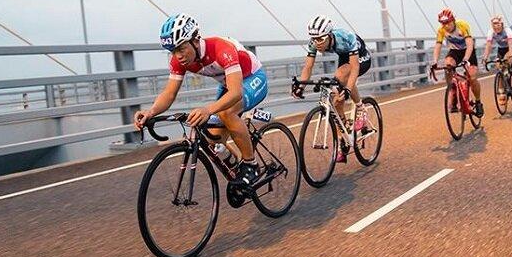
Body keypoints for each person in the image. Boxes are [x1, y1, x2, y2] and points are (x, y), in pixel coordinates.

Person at [133, 13, 268, 186]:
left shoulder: (221, 48)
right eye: (173, 51)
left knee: (227, 113)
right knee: (209, 138)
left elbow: (235, 93)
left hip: (252, 78)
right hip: (228, 82)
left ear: (195, 41)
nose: (178, 56)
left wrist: (208, 110)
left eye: (181, 48)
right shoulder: (179, 61)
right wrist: (150, 112)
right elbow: (169, 94)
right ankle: (236, 166)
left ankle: (251, 165)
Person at [292, 15, 371, 163]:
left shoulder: (345, 37)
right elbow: (308, 66)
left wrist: (348, 89)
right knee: (336, 99)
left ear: (329, 35)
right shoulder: (314, 42)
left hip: (360, 57)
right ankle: (345, 135)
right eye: (315, 39)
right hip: (344, 56)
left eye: (321, 39)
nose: (318, 43)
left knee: (342, 77)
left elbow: (354, 68)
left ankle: (361, 108)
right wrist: (300, 86)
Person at [430, 8, 484, 117]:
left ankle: (478, 102)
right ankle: (452, 89)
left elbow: (469, 45)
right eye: (443, 24)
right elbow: (438, 45)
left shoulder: (462, 25)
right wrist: (434, 61)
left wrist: (465, 59)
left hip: (468, 51)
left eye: (448, 23)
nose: (446, 26)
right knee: (448, 64)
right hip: (455, 52)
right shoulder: (441, 30)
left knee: (472, 78)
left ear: (453, 20)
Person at [481, 15, 512, 103]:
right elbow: (489, 45)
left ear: (502, 24)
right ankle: (502, 92)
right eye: (494, 25)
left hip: (510, 48)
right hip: (501, 49)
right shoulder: (491, 32)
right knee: (499, 68)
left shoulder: (507, 30)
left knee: (507, 60)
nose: (496, 27)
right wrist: (485, 57)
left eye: (498, 25)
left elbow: (510, 43)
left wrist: (511, 54)